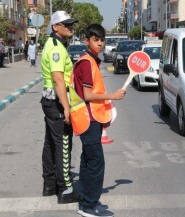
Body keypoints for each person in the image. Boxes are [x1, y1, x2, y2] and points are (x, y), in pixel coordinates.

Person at [71, 23, 125, 217]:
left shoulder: (92, 61)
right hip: (88, 118)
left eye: (102, 40)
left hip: (91, 118)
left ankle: (87, 201)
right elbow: (87, 95)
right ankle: (88, 206)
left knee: (88, 161)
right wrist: (113, 96)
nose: (100, 43)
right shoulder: (86, 62)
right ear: (87, 41)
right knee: (95, 162)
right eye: (96, 40)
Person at [40, 10, 78, 204]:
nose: (70, 27)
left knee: (50, 143)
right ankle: (65, 189)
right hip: (56, 101)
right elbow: (58, 79)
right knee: (63, 143)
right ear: (55, 27)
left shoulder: (57, 44)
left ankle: (49, 184)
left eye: (71, 24)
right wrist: (66, 107)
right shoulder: (56, 48)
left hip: (50, 101)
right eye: (66, 24)